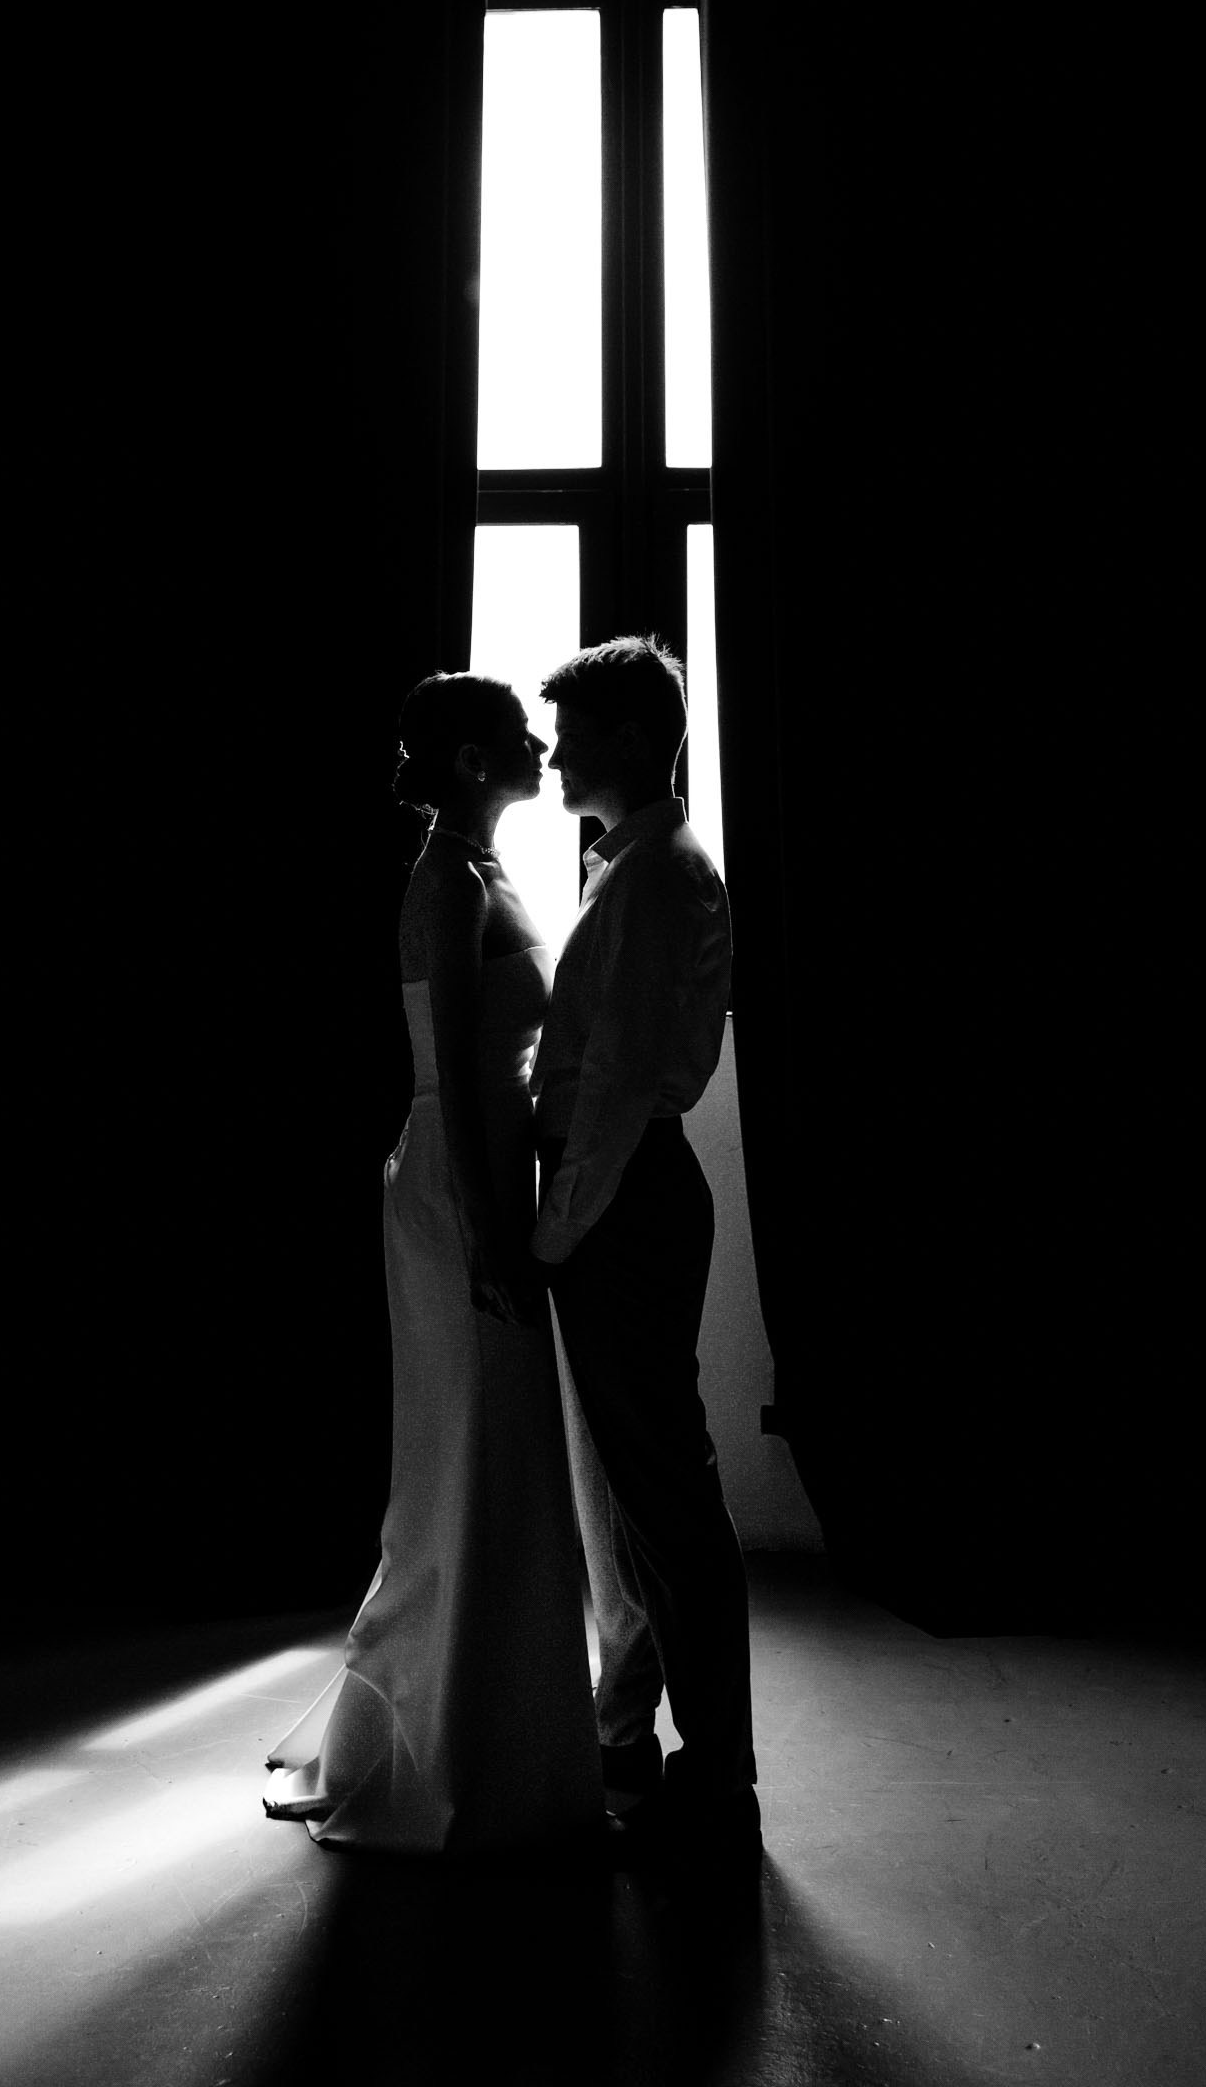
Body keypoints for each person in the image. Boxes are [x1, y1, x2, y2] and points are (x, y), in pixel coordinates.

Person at [264, 673, 601, 1853]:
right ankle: (455, 1743)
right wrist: (490, 1232)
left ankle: (501, 1725)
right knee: (468, 1449)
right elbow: (456, 1067)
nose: (540, 746)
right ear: (470, 759)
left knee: (497, 1451)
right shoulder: (445, 880)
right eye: (519, 735)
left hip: (485, 1176)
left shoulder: (482, 868)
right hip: (458, 1187)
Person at [529, 634, 759, 1863]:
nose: (556, 755)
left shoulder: (658, 875)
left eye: (573, 734)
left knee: (667, 1499)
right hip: (623, 1193)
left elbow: (616, 1082)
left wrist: (553, 1230)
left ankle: (718, 1778)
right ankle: (636, 1739)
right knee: (633, 1498)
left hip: (623, 1198)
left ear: (627, 737)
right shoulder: (633, 865)